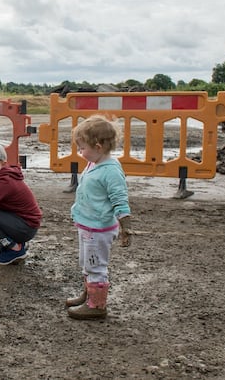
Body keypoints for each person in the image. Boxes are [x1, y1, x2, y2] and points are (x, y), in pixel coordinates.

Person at [66, 114, 131, 320]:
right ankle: (89, 295)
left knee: (96, 264)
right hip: (87, 225)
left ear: (98, 147)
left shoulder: (110, 171)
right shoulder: (94, 163)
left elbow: (120, 200)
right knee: (87, 262)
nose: (79, 151)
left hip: (98, 229)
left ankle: (97, 306)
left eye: (82, 147)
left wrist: (126, 227)